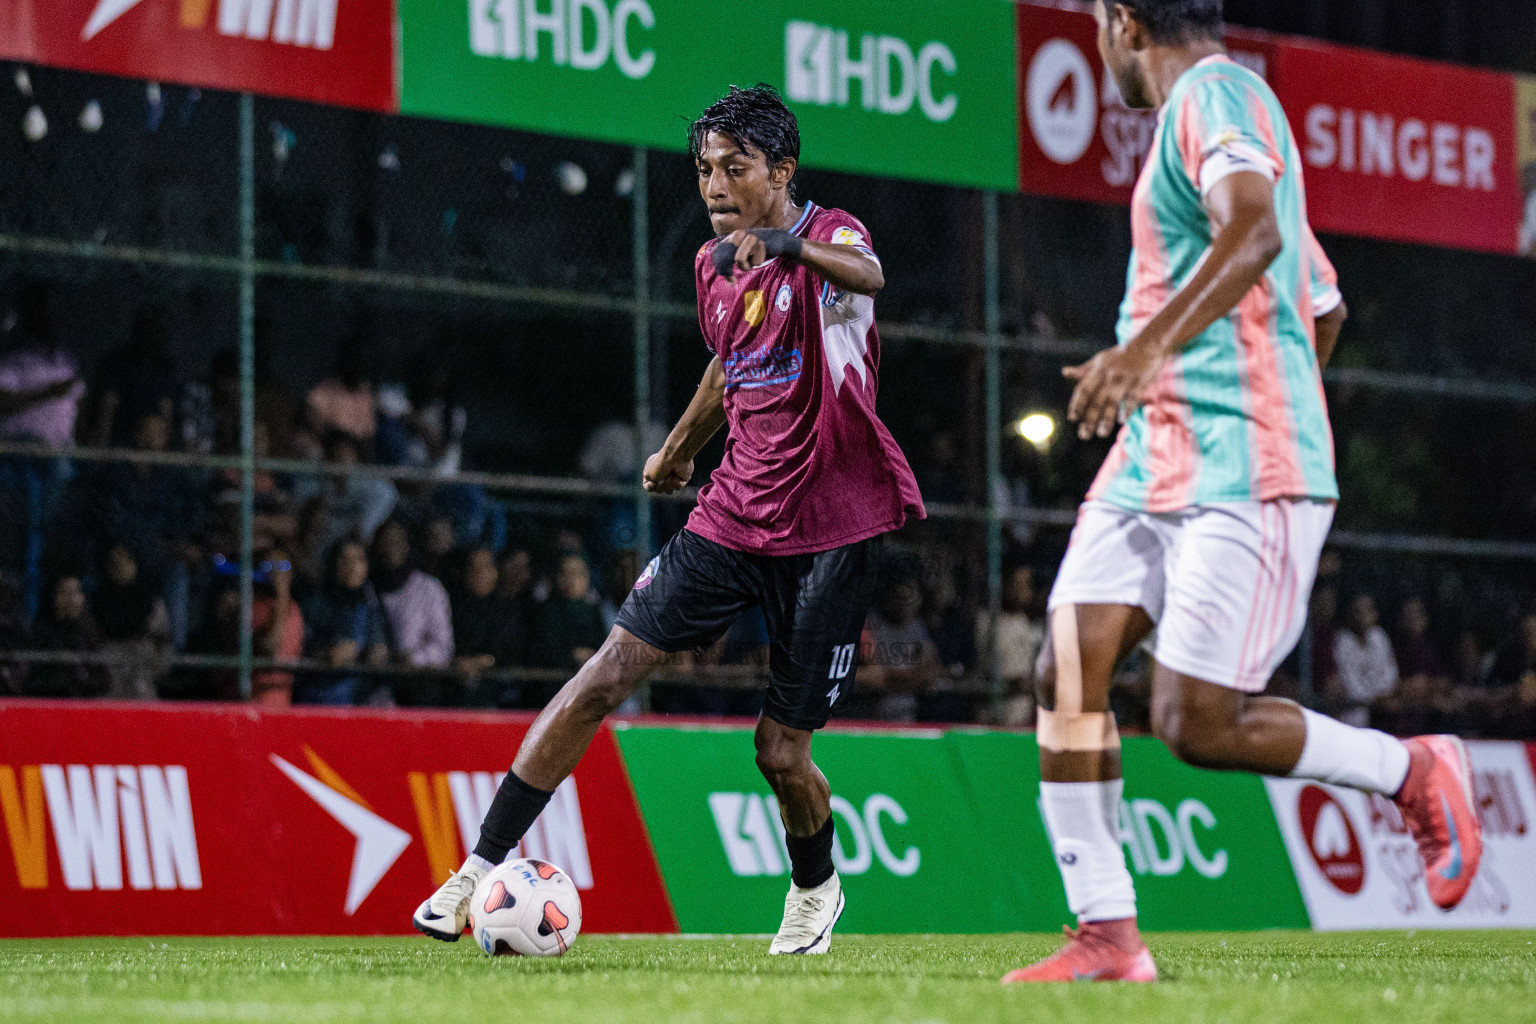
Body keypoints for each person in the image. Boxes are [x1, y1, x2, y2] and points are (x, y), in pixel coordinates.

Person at [1003, 1, 1483, 984]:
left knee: (1198, 725)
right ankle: (1107, 934)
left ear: (1123, 22)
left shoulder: (1216, 95)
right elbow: (1323, 304)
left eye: (1096, 21)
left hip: (1241, 469)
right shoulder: (1209, 128)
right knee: (1067, 670)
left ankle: (1414, 769)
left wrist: (1159, 357)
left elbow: (1257, 234)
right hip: (1154, 460)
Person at [414, 85, 924, 955]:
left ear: (782, 171)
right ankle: (475, 870)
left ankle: (816, 888)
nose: (715, 185)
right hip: (733, 514)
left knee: (780, 754)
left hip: (834, 531)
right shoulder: (711, 266)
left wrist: (785, 246)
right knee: (604, 676)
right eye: (704, 169)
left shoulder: (833, 236)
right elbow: (729, 367)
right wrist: (678, 450)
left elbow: (871, 276)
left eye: (735, 167)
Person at [371, 519, 454, 706]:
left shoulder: (428, 588)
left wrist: (413, 659)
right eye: (385, 541)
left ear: (407, 545)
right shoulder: (367, 588)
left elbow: (443, 648)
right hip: (374, 691)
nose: (391, 547)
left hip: (418, 688)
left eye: (397, 541)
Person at [297, 539, 389, 705]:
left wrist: (373, 653)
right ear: (333, 564)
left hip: (357, 701)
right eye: (345, 560)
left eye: (359, 560)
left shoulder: (370, 604)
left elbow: (378, 647)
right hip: (317, 698)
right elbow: (298, 647)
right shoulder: (314, 602)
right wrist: (326, 654)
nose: (353, 567)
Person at [1331, 594, 1399, 727]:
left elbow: (1390, 673)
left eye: (1367, 610)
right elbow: (1350, 684)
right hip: (1354, 709)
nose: (1363, 616)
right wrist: (1374, 699)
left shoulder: (1379, 636)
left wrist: (1382, 695)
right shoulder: (1342, 641)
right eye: (1358, 611)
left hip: (1382, 702)